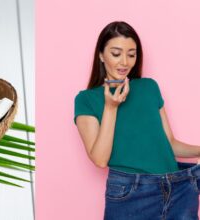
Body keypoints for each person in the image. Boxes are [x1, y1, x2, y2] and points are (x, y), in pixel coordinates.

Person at [74, 21, 200, 220]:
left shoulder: (149, 87)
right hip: (132, 195)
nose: (124, 62)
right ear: (101, 55)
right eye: (116, 54)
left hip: (179, 188)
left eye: (131, 55)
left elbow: (170, 145)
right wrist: (110, 107)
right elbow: (99, 159)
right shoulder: (86, 100)